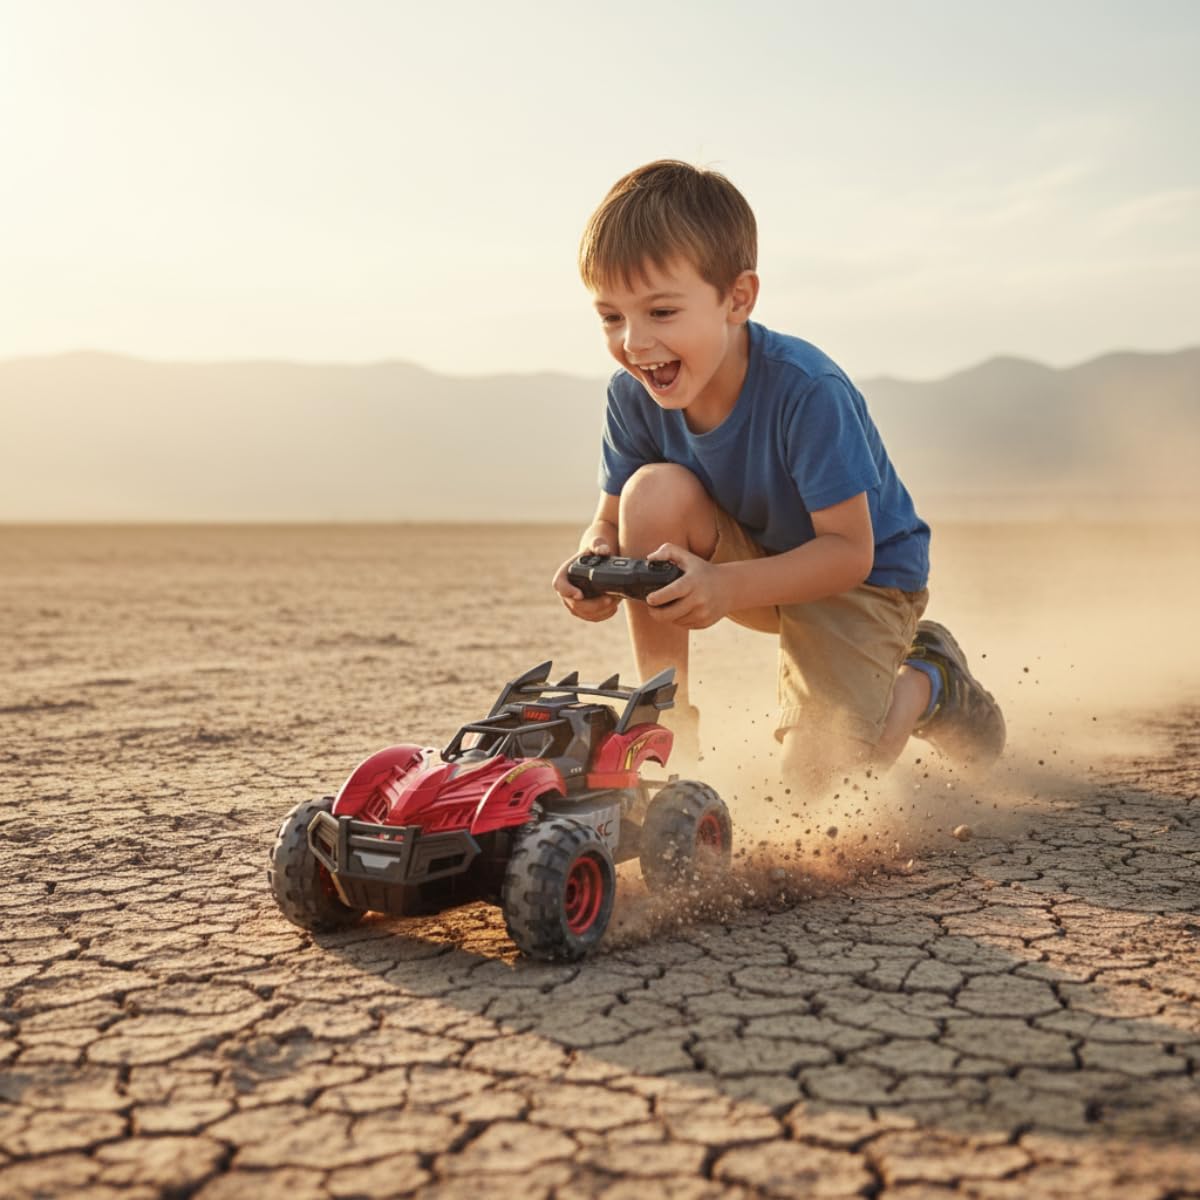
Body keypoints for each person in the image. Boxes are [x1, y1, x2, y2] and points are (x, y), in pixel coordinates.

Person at [552, 160, 1004, 790]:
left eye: (660, 311)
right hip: (750, 569)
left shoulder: (806, 390)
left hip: (863, 581)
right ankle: (667, 724)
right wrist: (595, 557)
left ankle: (929, 679)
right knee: (649, 491)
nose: (633, 342)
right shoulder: (632, 395)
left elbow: (850, 553)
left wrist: (725, 587)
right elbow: (611, 517)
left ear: (737, 299)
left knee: (820, 795)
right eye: (610, 317)